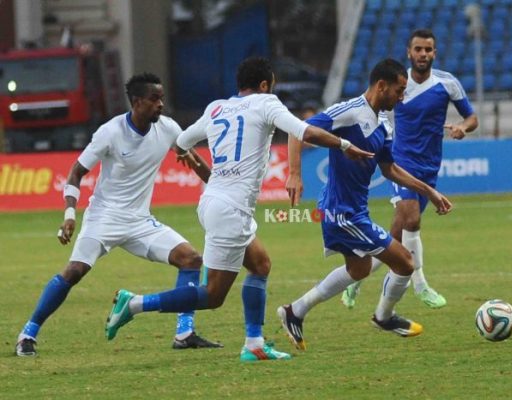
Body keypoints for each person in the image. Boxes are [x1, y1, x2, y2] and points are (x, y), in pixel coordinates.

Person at [103, 57, 374, 362]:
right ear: (264, 85)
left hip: (215, 202)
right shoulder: (266, 102)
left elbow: (180, 143)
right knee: (212, 295)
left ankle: (254, 344)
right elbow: (304, 132)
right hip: (230, 209)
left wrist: (197, 163)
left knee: (260, 265)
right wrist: (345, 146)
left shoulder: (217, 107)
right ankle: (135, 304)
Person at [14, 73, 222, 357]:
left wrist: (221, 189)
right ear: (137, 102)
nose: (161, 104)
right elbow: (77, 172)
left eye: (161, 98)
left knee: (191, 259)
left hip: (140, 222)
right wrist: (70, 213)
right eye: (154, 99)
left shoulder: (169, 129)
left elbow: (195, 161)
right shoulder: (110, 132)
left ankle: (184, 333)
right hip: (103, 218)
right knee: (74, 272)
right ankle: (28, 333)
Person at [277, 59, 452, 351]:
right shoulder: (350, 112)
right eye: (399, 90)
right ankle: (384, 317)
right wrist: (294, 173)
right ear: (381, 86)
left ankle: (295, 311)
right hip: (341, 213)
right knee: (404, 262)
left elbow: (390, 169)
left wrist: (429, 192)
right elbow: (299, 130)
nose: (402, 97)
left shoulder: (383, 126)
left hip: (355, 211)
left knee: (358, 269)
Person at [338, 28, 479, 310]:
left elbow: (472, 117)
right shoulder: (398, 85)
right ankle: (421, 284)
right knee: (412, 220)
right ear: (409, 52)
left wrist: (463, 128)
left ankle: (356, 278)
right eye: (418, 49)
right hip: (400, 163)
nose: (423, 54)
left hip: (429, 167)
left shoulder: (447, 83)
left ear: (434, 53)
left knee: (395, 238)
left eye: (428, 50)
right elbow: (372, 108)